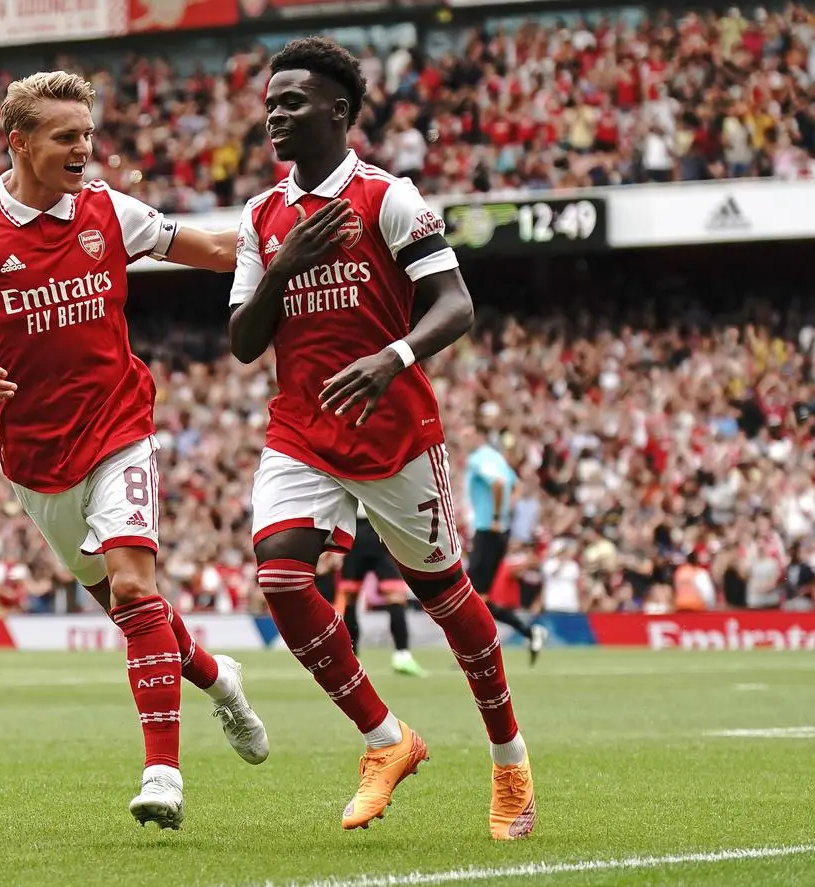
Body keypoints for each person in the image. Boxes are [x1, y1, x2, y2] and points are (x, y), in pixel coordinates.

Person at [0, 70, 269, 830]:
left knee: (134, 590)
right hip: (36, 460)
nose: (84, 149)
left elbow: (218, 249)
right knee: (133, 611)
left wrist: (289, 235)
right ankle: (220, 680)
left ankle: (163, 773)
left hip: (121, 427)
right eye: (66, 136)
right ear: (19, 143)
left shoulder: (110, 210)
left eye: (88, 134)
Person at [228, 37, 536, 839]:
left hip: (394, 431)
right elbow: (243, 342)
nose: (274, 115)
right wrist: (287, 263)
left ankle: (510, 760)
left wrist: (392, 356)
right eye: (269, 103)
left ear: (338, 111)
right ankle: (385, 738)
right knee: (281, 576)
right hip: (301, 428)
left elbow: (456, 304)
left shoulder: (389, 198)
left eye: (291, 102)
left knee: (448, 600)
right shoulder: (260, 218)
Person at [461, 425, 547, 663]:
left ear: (479, 435)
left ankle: (478, 652)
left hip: (488, 531)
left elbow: (498, 484)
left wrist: (497, 516)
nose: (463, 440)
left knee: (470, 596)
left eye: (467, 435)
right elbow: (515, 486)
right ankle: (527, 632)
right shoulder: (497, 459)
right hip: (494, 532)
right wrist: (507, 510)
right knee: (478, 597)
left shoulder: (480, 459)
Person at [337, 502, 425, 676]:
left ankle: (355, 659)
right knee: (390, 596)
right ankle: (401, 655)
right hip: (375, 529)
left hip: (363, 531)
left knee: (353, 599)